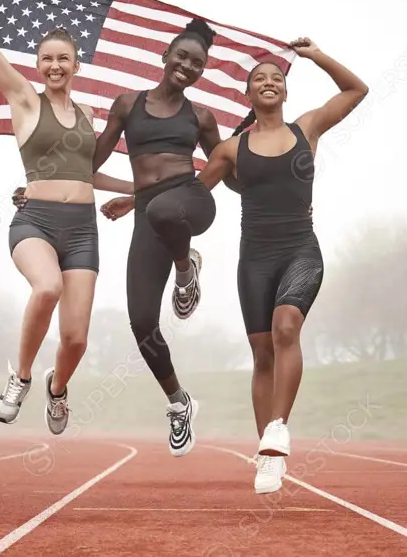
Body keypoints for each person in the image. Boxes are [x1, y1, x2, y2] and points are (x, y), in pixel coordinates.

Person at [103, 38, 368, 491]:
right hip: (255, 259)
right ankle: (267, 455)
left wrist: (316, 56)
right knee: (262, 354)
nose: (269, 82)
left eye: (277, 79)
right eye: (259, 79)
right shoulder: (229, 149)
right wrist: (135, 200)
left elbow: (355, 91)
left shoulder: (308, 128)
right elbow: (192, 189)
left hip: (301, 249)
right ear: (247, 95)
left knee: (287, 328)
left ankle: (279, 428)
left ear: (285, 93)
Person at [0, 0, 134, 435]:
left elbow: (90, 175)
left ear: (75, 65)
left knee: (75, 340)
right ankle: (21, 379)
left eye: (62, 59)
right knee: (46, 287)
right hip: (36, 222)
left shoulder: (89, 114)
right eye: (46, 58)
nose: (54, 65)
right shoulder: (24, 101)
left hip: (83, 230)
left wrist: (141, 189)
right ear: (37, 64)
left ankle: (57, 388)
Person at [83, 18, 241, 457]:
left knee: (166, 207)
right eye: (182, 56)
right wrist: (38, 187)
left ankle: (185, 269)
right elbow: (89, 167)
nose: (187, 66)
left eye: (197, 63)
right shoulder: (126, 105)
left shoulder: (202, 118)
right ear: (165, 56)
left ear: (202, 71)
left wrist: (257, 156)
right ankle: (179, 402)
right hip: (151, 217)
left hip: (192, 204)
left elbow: (227, 170)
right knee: (141, 323)